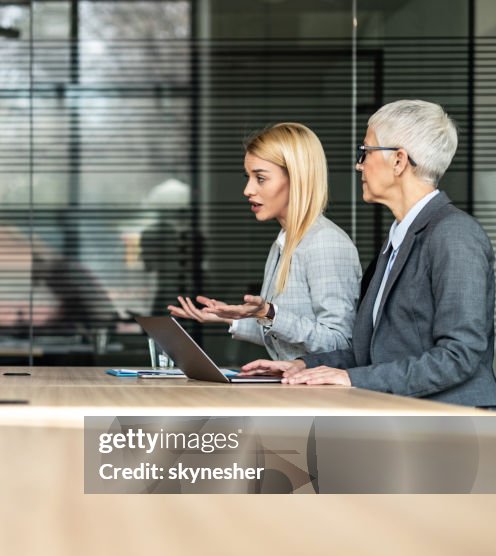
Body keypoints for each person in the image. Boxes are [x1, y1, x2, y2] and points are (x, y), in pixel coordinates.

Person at [243, 100, 496, 407]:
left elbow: (459, 356)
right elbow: (374, 351)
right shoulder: (399, 239)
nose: (358, 164)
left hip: (451, 425)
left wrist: (354, 379)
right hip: (409, 418)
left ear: (399, 161)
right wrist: (305, 365)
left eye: (366, 152)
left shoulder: (454, 235)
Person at [168, 122, 361, 360]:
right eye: (248, 177)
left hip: (317, 394)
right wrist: (229, 317)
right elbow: (283, 336)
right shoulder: (284, 242)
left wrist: (270, 313)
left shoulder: (326, 243)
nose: (247, 190)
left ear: (297, 178)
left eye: (260, 178)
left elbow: (339, 343)